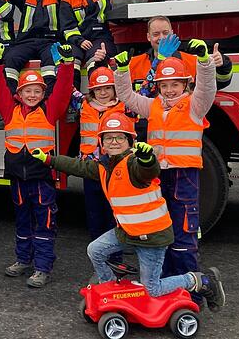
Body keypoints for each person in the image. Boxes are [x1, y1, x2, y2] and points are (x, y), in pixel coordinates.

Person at [31, 112, 226, 311]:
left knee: (153, 289)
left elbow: (149, 171)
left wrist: (147, 159)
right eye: (108, 137)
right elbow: (77, 165)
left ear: (130, 140)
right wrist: (48, 159)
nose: (114, 141)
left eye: (120, 137)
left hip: (152, 238)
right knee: (95, 250)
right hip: (127, 232)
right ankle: (110, 286)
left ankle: (200, 280)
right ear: (102, 143)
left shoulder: (134, 163)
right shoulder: (103, 166)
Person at [114, 41, 216, 305]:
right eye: (164, 85)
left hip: (185, 178)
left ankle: (192, 294)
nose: (170, 90)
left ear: (185, 85)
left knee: (183, 235)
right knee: (162, 230)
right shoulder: (153, 106)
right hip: (157, 176)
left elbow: (207, 87)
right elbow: (126, 97)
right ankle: (168, 286)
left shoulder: (195, 105)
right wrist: (122, 70)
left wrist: (204, 61)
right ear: (158, 86)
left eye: (175, 85)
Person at [0, 43, 74, 288]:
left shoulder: (50, 110)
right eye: (28, 91)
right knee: (22, 220)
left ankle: (42, 266)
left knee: (45, 221)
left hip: (41, 178)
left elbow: (63, 91)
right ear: (20, 93)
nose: (32, 95)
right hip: (17, 177)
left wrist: (67, 65)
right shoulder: (9, 110)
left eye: (37, 90)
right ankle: (23, 259)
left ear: (43, 93)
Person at [1, 0, 69, 95]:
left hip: (50, 42)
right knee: (10, 59)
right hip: (26, 42)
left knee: (51, 64)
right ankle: (13, 100)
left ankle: (48, 101)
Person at [78, 67, 129, 257]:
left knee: (113, 215)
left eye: (108, 88)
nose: (103, 92)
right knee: (94, 216)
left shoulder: (125, 106)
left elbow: (147, 90)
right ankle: (99, 260)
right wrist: (65, 65)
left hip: (115, 169)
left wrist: (159, 61)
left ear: (115, 89)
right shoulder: (82, 105)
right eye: (98, 89)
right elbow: (64, 89)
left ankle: (116, 260)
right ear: (92, 91)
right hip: (91, 170)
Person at [129, 15, 233, 104]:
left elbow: (217, 84)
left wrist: (223, 65)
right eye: (156, 34)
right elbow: (130, 98)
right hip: (149, 124)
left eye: (165, 33)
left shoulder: (190, 61)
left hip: (182, 121)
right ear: (148, 37)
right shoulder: (134, 63)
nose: (161, 38)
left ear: (172, 33)